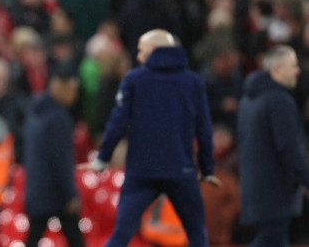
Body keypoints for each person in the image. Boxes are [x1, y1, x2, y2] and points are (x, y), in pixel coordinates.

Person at [83, 29, 219, 247]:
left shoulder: (134, 80)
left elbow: (117, 123)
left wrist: (103, 157)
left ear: (155, 50)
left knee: (121, 234)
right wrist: (207, 167)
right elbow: (204, 129)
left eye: (141, 50)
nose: (137, 56)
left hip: (141, 171)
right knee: (196, 232)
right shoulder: (192, 82)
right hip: (180, 169)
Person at [236, 45, 309, 247]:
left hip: (255, 185)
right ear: (277, 69)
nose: (298, 71)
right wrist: (306, 179)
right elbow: (290, 148)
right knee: (271, 238)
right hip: (276, 189)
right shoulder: (279, 101)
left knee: (274, 239)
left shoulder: (248, 99)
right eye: (293, 66)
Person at [23, 63, 85, 247]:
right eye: (72, 89)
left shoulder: (35, 111)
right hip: (56, 193)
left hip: (37, 189)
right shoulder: (58, 117)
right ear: (59, 86)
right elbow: (62, 160)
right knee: (75, 240)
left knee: (34, 238)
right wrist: (70, 194)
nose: (74, 95)